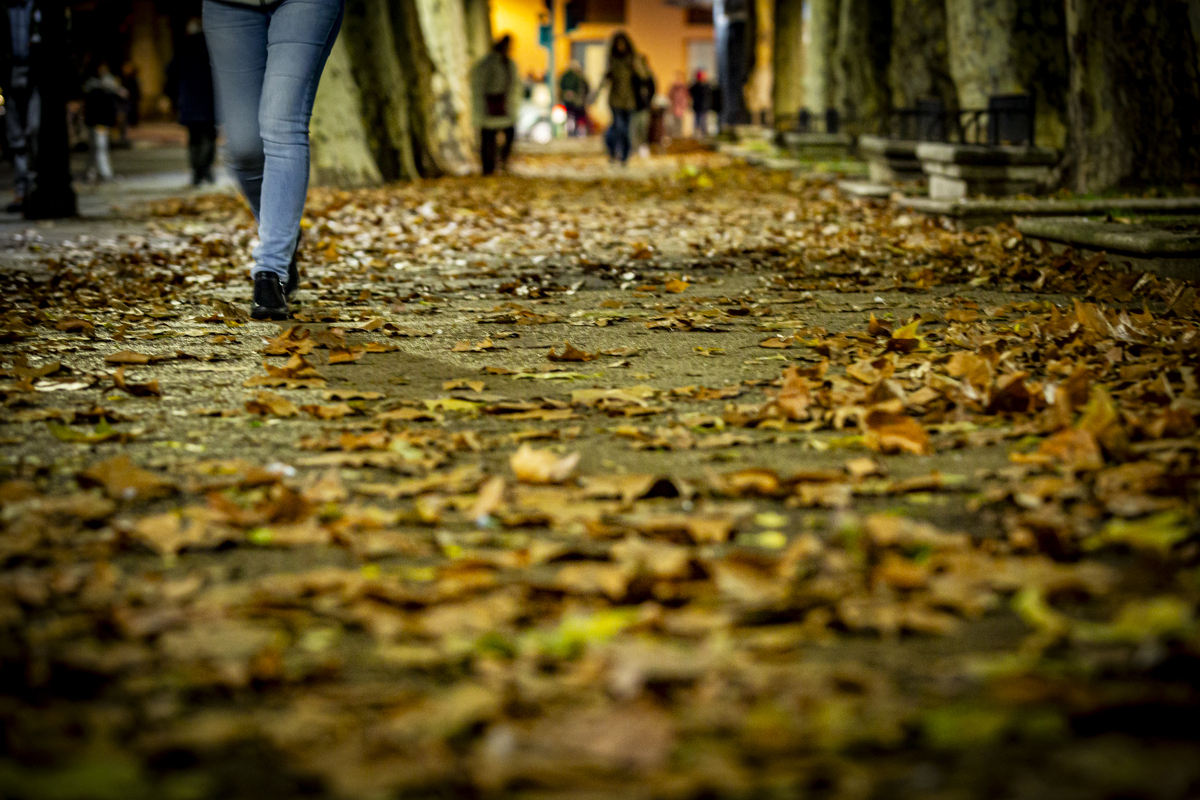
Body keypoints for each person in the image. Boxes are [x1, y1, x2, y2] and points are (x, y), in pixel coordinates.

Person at [203, 0, 344, 321]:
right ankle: (282, 236)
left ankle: (270, 271)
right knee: (243, 147)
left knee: (282, 122)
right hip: (228, 6)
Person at [1, 0, 43, 213]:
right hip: (9, 79)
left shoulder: (37, 6)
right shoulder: (3, 8)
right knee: (15, 138)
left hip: (34, 78)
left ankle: (34, 187)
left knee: (33, 132)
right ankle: (22, 190)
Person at [166, 17, 217, 186]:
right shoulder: (210, 46)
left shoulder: (184, 46)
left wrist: (172, 96)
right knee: (208, 137)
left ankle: (198, 171)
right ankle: (205, 169)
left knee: (194, 139)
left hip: (189, 101)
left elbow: (171, 71)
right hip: (209, 100)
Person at [471, 34, 520, 177]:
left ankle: (502, 161)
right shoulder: (488, 63)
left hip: (505, 106)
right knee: (488, 137)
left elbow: (515, 86)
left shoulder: (508, 63)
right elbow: (479, 85)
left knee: (507, 134)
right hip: (489, 105)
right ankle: (488, 166)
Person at [596, 31, 637, 165]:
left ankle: (624, 157)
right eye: (618, 44)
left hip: (630, 101)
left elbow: (644, 77)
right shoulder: (612, 61)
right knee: (619, 128)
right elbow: (605, 80)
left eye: (622, 44)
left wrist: (638, 64)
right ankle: (613, 152)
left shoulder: (633, 60)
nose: (620, 46)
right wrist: (595, 95)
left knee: (626, 130)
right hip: (615, 101)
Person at [82, 62, 125, 183]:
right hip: (98, 121)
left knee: (96, 148)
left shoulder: (100, 87)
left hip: (100, 121)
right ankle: (105, 174)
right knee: (100, 147)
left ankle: (90, 173)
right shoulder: (98, 89)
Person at [630, 53, 655, 158]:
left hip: (644, 107)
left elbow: (653, 90)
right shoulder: (633, 76)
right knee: (634, 129)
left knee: (643, 128)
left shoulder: (648, 76)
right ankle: (633, 149)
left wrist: (648, 101)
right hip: (633, 107)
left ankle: (642, 148)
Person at [558, 60, 588, 136]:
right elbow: (587, 88)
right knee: (579, 118)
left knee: (570, 116)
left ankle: (570, 132)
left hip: (569, 101)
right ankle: (580, 133)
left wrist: (562, 97)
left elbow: (561, 87)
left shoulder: (565, 76)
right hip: (579, 102)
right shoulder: (581, 76)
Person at [689, 70, 713, 137]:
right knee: (697, 120)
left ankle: (704, 133)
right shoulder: (695, 86)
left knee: (704, 121)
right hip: (697, 106)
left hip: (705, 106)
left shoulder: (707, 86)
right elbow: (691, 93)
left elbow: (709, 97)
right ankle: (697, 133)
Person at [667, 70, 689, 140]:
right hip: (673, 108)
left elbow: (686, 98)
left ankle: (678, 138)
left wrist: (685, 106)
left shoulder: (684, 88)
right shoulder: (673, 88)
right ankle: (673, 137)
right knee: (673, 124)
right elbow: (669, 96)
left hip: (681, 109)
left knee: (679, 124)